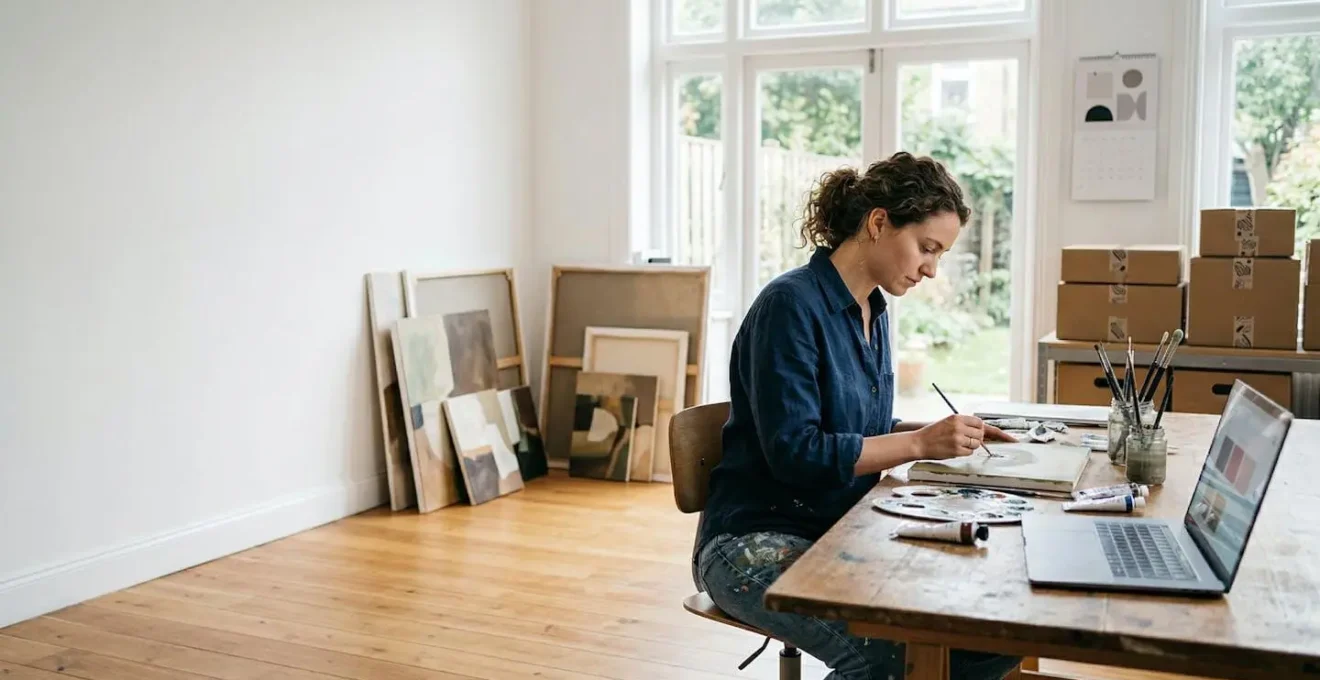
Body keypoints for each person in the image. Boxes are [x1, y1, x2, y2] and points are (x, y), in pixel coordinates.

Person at [695, 151, 1022, 680]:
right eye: (927, 248)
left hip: (836, 528)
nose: (931, 269)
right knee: (890, 660)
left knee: (992, 637)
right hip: (752, 543)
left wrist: (937, 434)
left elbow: (860, 432)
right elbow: (799, 454)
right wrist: (918, 446)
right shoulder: (790, 305)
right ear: (878, 223)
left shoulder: (874, 308)